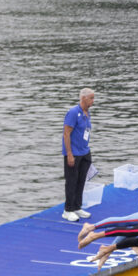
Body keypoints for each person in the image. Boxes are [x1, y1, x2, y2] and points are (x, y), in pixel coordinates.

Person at [62, 88, 95, 222]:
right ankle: (68, 209)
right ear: (83, 98)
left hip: (85, 152)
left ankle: (77, 206)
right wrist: (69, 154)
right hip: (74, 153)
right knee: (72, 181)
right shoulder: (73, 112)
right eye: (91, 98)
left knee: (81, 180)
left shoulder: (87, 113)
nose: (93, 101)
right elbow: (66, 133)